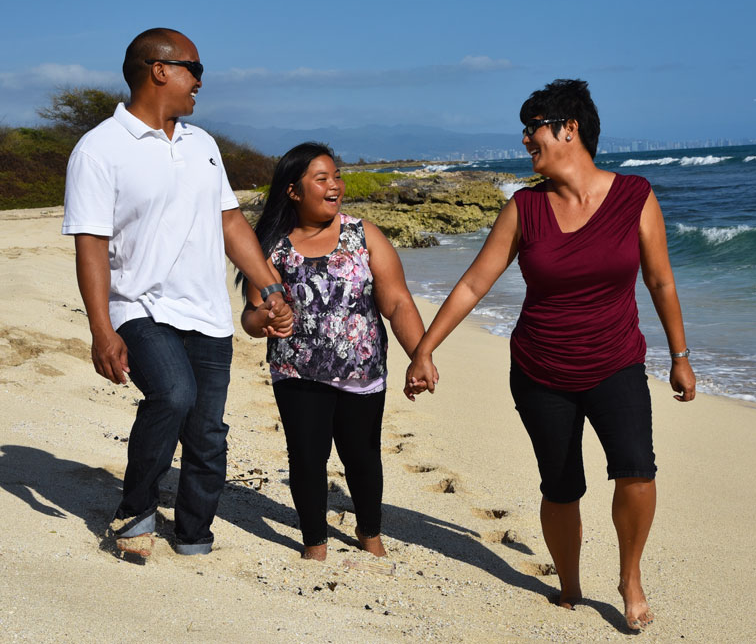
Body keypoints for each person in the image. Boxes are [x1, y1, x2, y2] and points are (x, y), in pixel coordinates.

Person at [405, 79, 695, 631]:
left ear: (569, 128)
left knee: (636, 471)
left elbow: (660, 282)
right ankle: (568, 581)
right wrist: (425, 350)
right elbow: (472, 285)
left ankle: (629, 578)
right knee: (561, 486)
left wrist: (680, 354)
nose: (524, 141)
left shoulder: (635, 196)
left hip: (616, 362)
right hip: (541, 370)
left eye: (532, 128)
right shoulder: (525, 208)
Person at [62, 28, 292, 558]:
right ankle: (135, 509)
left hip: (207, 312)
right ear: (158, 69)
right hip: (137, 306)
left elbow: (231, 221)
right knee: (172, 394)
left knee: (208, 433)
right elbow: (91, 247)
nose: (200, 82)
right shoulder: (99, 149)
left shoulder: (202, 144)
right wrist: (101, 330)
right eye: (195, 68)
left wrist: (271, 287)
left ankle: (193, 532)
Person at [238, 142, 428, 561]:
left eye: (336, 176)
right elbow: (251, 317)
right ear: (293, 190)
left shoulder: (364, 235)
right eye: (321, 178)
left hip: (362, 372)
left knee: (362, 458)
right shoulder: (271, 246)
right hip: (296, 371)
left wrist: (421, 354)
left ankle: (370, 532)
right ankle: (314, 544)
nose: (335, 186)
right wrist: (265, 320)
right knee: (307, 458)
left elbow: (397, 302)